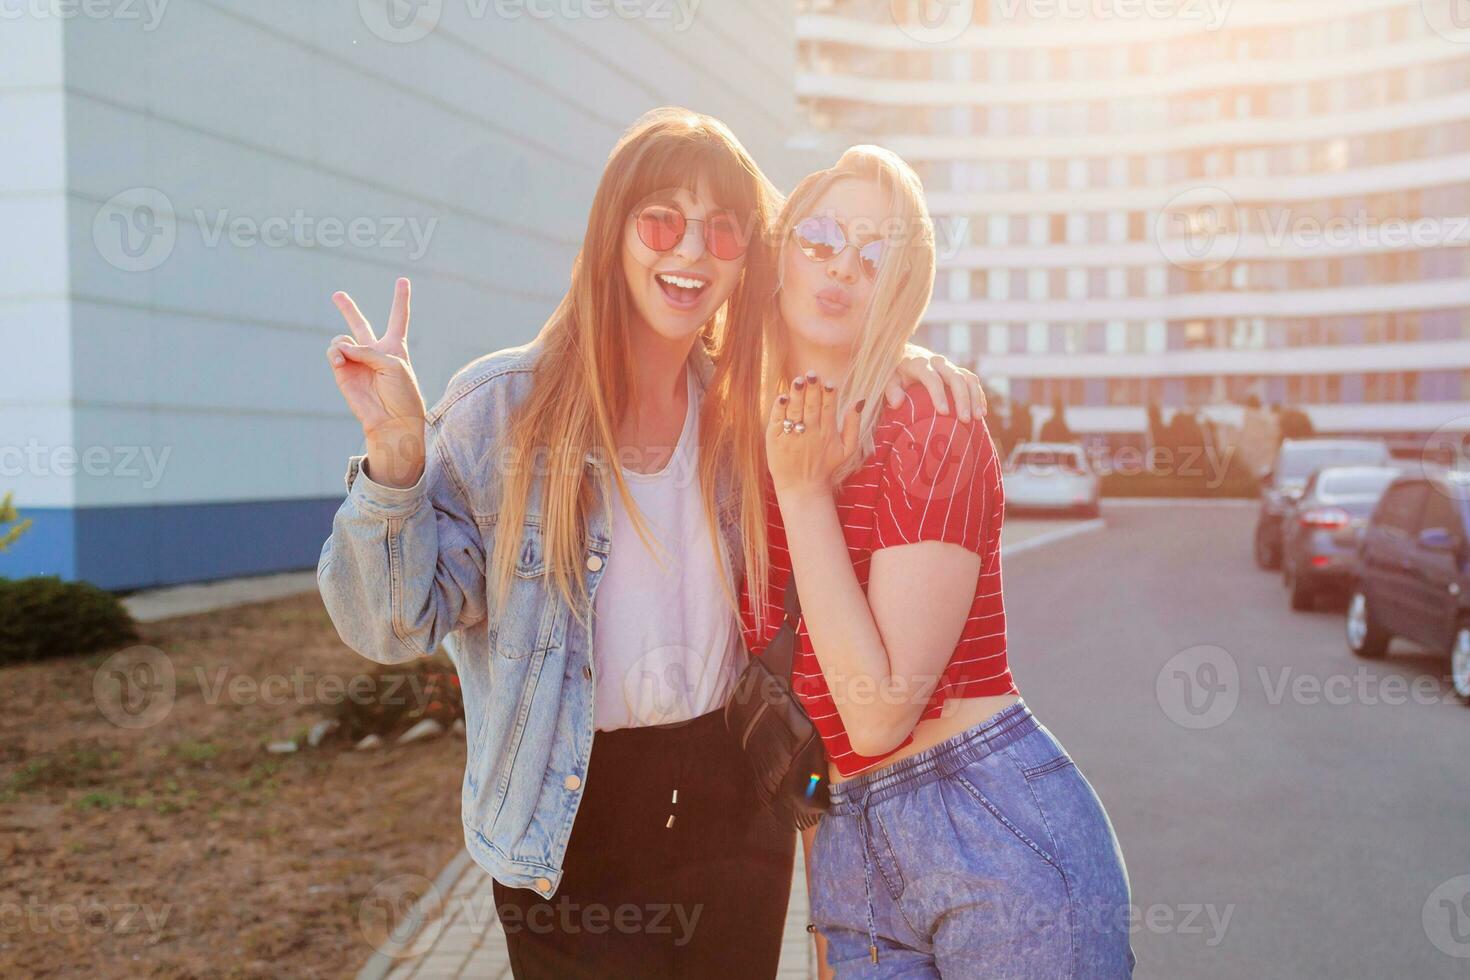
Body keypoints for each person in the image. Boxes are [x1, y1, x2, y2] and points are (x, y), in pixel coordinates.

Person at [316, 108, 984, 979]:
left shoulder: (746, 414)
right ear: (614, 235)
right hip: (569, 819)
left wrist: (902, 360)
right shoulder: (501, 411)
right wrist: (398, 460)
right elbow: (391, 625)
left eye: (723, 230)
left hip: (734, 804)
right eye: (663, 219)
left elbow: (838, 348)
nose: (692, 251)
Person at [741, 145, 1136, 977]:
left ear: (899, 291)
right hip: (844, 839)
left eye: (876, 254)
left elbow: (879, 715)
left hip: (990, 828)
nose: (843, 264)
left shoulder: (930, 421)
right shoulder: (748, 437)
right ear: (779, 247)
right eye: (820, 236)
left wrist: (805, 494)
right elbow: (801, 715)